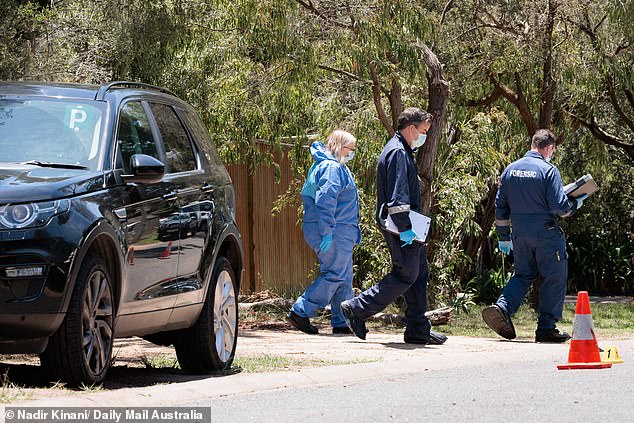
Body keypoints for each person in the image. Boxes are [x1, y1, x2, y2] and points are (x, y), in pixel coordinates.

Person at [340, 107, 447, 345]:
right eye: (423, 131)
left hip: (407, 225)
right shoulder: (398, 152)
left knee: (419, 272)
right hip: (401, 226)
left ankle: (418, 328)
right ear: (411, 129)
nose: (424, 136)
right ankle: (357, 308)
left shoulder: (401, 150)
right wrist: (406, 228)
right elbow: (398, 199)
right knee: (407, 273)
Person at [482, 129, 588, 343]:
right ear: (549, 148)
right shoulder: (548, 170)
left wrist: (504, 236)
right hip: (546, 233)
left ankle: (502, 307)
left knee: (523, 275)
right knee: (554, 277)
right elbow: (560, 208)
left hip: (520, 235)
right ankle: (546, 328)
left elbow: (500, 206)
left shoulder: (510, 170)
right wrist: (575, 204)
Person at [287, 130, 361, 334]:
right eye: (349, 148)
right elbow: (325, 202)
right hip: (333, 231)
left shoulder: (335, 166)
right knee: (335, 274)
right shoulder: (331, 168)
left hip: (340, 232)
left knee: (344, 276)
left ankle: (341, 321)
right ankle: (301, 310)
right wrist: (327, 232)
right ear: (338, 146)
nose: (351, 153)